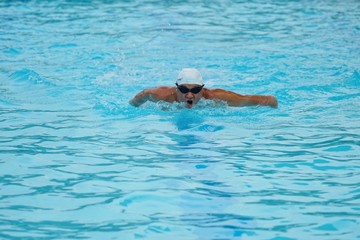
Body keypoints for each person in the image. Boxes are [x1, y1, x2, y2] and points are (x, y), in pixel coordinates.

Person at [130, 68, 278, 109]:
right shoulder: (161, 95)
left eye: (195, 90)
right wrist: (134, 106)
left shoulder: (216, 97)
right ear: (176, 89)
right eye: (183, 89)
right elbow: (140, 98)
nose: (189, 95)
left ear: (202, 89)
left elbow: (269, 100)